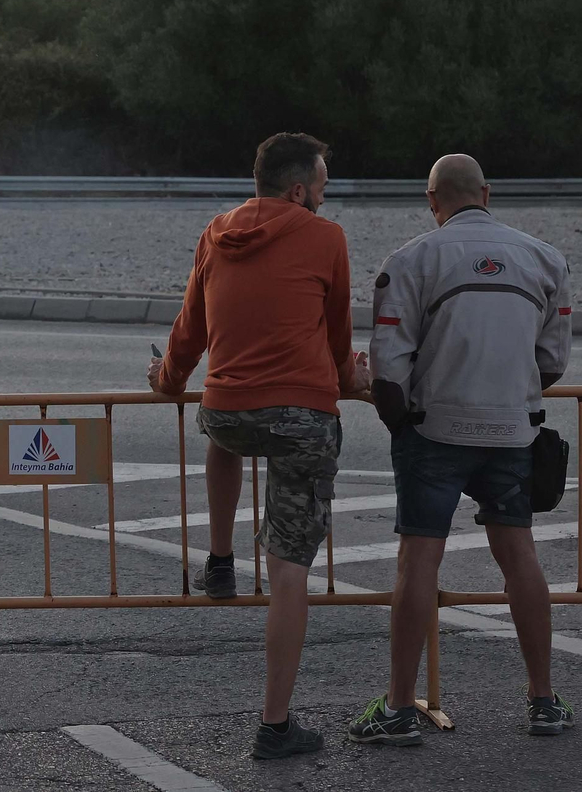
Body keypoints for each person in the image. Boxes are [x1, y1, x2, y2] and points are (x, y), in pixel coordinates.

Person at [148, 132, 368, 759]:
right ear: (298, 190)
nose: (324, 197)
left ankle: (220, 560)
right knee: (289, 571)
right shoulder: (326, 238)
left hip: (226, 412)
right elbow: (337, 331)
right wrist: (351, 380)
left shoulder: (216, 232)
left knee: (224, 434)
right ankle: (275, 726)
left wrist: (168, 381)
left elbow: (191, 326)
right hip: (301, 416)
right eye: (321, 187)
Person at [349, 154, 575, 745]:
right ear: (487, 193)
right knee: (519, 556)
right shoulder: (546, 259)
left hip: (434, 430)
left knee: (418, 562)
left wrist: (402, 424)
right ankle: (544, 701)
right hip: (514, 431)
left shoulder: (410, 260)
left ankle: (399, 708)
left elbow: (389, 365)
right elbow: (553, 360)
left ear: (432, 200)